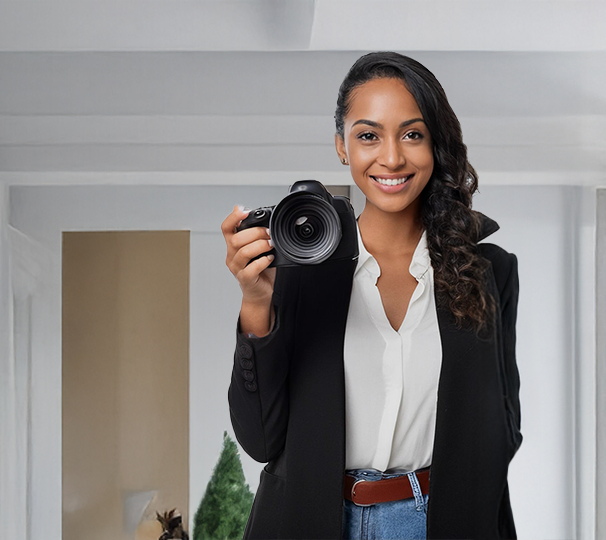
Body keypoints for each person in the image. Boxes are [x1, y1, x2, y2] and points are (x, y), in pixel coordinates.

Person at [220, 51, 523, 539]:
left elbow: (503, 419)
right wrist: (255, 300)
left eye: (412, 134)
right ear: (342, 146)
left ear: (435, 144)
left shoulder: (490, 271)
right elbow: (259, 439)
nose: (392, 157)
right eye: (368, 135)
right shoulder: (299, 273)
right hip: (312, 522)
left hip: (437, 523)